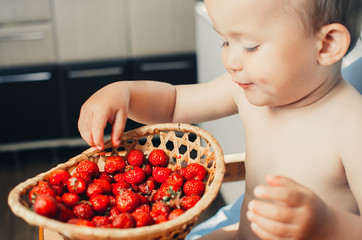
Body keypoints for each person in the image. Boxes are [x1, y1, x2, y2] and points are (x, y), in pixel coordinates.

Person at [78, 0, 362, 239]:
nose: (230, 60)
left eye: (250, 46)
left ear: (326, 45)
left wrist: (326, 224)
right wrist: (123, 93)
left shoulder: (352, 127)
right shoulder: (246, 91)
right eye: (226, 41)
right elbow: (173, 103)